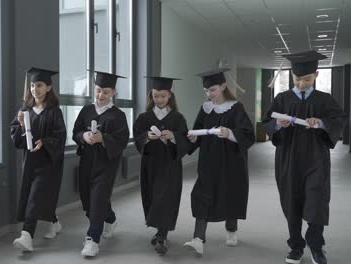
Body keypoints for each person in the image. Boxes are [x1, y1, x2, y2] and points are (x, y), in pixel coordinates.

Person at [262, 50, 347, 264]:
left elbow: (339, 119)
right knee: (292, 202)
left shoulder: (324, 99)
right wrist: (278, 126)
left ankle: (316, 246)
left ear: (316, 75)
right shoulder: (282, 99)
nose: (302, 84)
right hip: (288, 159)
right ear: (292, 75)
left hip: (316, 158)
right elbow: (267, 123)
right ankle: (296, 247)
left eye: (307, 79)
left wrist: (321, 122)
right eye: (298, 79)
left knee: (317, 202)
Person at [183, 68, 255, 256]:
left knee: (230, 193)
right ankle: (198, 239)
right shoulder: (205, 108)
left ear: (223, 86)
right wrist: (193, 139)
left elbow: (248, 133)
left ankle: (231, 228)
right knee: (201, 194)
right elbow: (198, 130)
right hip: (208, 160)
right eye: (206, 91)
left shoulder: (236, 107)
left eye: (212, 90)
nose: (209, 94)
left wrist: (230, 133)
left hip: (231, 161)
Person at [72, 71, 130, 257]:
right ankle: (110, 219)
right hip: (87, 161)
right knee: (88, 199)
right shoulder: (86, 111)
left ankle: (92, 239)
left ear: (113, 92)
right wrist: (84, 136)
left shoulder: (118, 115)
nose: (100, 95)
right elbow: (76, 132)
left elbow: (122, 140)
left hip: (106, 163)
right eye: (98, 91)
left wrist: (102, 138)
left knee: (98, 198)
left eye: (105, 92)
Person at [10, 67, 66, 252]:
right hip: (30, 163)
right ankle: (54, 221)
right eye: (33, 85)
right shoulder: (25, 110)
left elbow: (60, 136)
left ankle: (27, 236)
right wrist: (19, 124)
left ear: (48, 87)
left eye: (39, 85)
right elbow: (17, 139)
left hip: (48, 163)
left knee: (34, 197)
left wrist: (45, 142)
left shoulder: (54, 111)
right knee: (35, 196)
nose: (35, 89)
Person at [133, 76, 189, 255]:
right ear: (152, 95)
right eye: (156, 96)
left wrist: (172, 136)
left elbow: (185, 140)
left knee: (165, 198)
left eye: (163, 96)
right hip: (150, 164)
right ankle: (160, 231)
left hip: (169, 164)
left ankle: (162, 236)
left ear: (170, 95)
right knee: (152, 197)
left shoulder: (178, 118)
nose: (159, 99)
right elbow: (137, 137)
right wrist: (147, 138)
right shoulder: (144, 117)